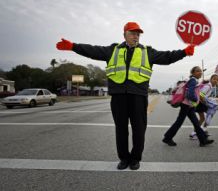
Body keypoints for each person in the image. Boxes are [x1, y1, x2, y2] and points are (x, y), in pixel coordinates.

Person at [56, 22, 195, 170]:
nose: (136, 36)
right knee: (120, 129)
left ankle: (135, 159)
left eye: (138, 34)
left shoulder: (147, 52)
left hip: (138, 96)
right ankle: (123, 158)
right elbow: (92, 50)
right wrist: (73, 46)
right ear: (125, 35)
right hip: (119, 96)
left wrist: (184, 52)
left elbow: (167, 57)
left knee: (139, 129)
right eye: (132, 33)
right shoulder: (113, 50)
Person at [162, 66, 214, 147]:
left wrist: (202, 83)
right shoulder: (193, 80)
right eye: (197, 71)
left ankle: (203, 140)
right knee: (179, 122)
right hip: (187, 105)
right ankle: (167, 138)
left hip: (189, 105)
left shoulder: (193, 80)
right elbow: (190, 94)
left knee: (196, 123)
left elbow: (194, 89)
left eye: (200, 71)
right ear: (193, 73)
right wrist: (195, 99)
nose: (200, 72)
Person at [190, 74, 218, 139]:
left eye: (217, 80)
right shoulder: (208, 86)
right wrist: (206, 103)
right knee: (208, 115)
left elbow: (203, 95)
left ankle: (202, 130)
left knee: (208, 115)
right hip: (200, 103)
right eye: (214, 79)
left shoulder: (210, 86)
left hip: (200, 103)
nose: (216, 81)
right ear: (211, 79)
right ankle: (196, 132)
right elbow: (201, 95)